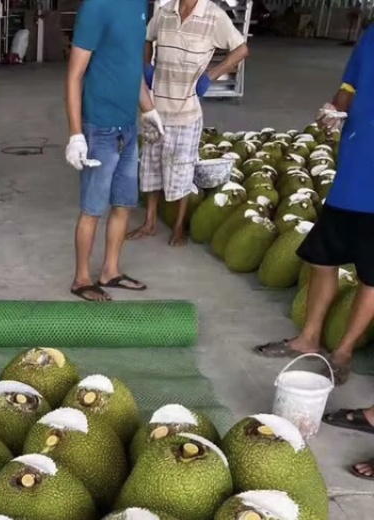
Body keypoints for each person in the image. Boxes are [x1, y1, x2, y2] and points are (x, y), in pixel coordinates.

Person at [254, 26, 374, 480]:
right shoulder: (370, 36)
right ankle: (310, 338)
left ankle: (341, 352)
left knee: (371, 278)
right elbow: (351, 85)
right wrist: (334, 108)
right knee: (321, 258)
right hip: (352, 176)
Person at [65, 0, 164, 302]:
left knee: (123, 204)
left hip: (128, 127)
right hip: (100, 128)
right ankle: (81, 278)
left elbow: (131, 68)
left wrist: (149, 111)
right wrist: (76, 134)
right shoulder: (96, 7)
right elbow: (74, 76)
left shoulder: (139, 7)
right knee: (93, 208)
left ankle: (110, 271)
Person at [130, 0, 248, 246]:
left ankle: (179, 226)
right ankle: (150, 222)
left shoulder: (213, 16)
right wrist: (147, 64)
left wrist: (211, 75)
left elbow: (241, 49)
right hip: (156, 108)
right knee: (151, 167)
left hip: (186, 112)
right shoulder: (165, 12)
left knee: (182, 171)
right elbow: (147, 37)